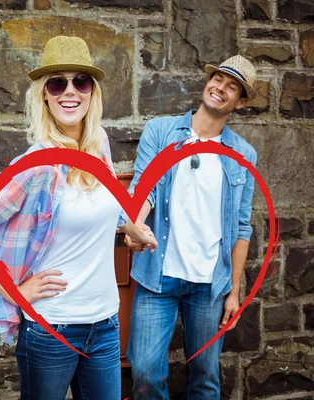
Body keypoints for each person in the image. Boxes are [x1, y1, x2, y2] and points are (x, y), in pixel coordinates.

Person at [0, 35, 157, 400]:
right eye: (58, 82)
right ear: (44, 94)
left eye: (81, 81)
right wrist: (15, 291)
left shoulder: (99, 144)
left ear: (93, 92)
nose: (70, 91)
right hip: (52, 326)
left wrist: (129, 228)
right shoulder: (36, 165)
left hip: (105, 322)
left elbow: (92, 212)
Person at [125, 55, 258, 399]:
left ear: (240, 102)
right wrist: (134, 224)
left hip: (209, 285)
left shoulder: (243, 154)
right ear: (207, 81)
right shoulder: (161, 131)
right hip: (158, 275)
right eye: (219, 79)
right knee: (145, 375)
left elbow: (242, 226)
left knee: (205, 378)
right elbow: (145, 187)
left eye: (232, 87)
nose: (221, 88)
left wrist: (235, 290)